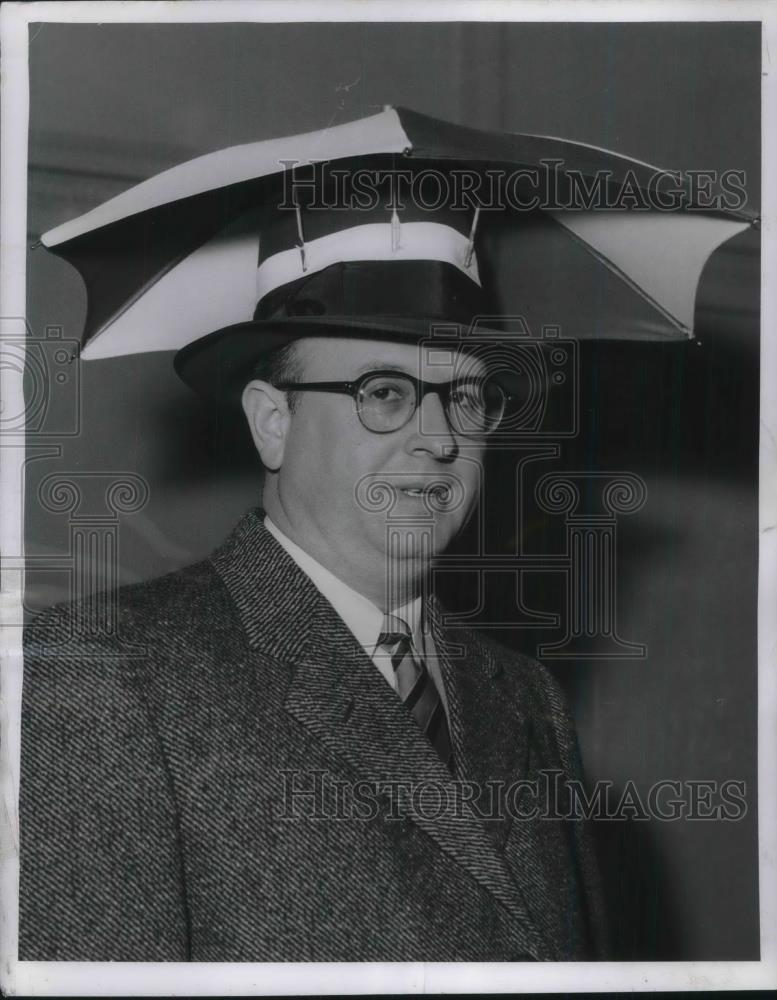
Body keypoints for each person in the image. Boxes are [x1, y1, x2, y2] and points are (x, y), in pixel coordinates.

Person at [20, 180, 608, 962]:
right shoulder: (104, 676)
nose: (438, 439)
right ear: (272, 421)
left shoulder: (525, 696)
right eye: (385, 393)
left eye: (466, 396)